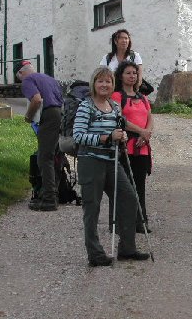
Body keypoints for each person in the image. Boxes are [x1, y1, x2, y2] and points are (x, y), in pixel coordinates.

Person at [73, 66, 149, 266]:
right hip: (90, 161)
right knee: (92, 208)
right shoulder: (85, 106)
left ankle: (127, 248)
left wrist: (122, 136)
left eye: (108, 81)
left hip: (112, 161)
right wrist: (107, 138)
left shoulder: (114, 106)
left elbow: (119, 127)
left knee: (129, 198)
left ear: (112, 84)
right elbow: (78, 136)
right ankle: (95, 254)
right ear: (94, 84)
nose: (104, 85)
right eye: (100, 81)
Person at [112, 61, 153, 233]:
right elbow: (120, 119)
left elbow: (150, 116)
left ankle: (141, 221)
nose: (132, 76)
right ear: (121, 75)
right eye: (128, 73)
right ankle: (125, 222)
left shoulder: (142, 97)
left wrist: (146, 133)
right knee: (126, 186)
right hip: (126, 146)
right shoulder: (116, 96)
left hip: (142, 146)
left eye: (134, 73)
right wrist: (142, 131)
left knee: (140, 184)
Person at [16, 60, 63, 212]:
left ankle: (49, 198)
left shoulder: (28, 80)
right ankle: (55, 192)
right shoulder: (50, 79)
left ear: (21, 73)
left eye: (19, 78)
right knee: (55, 155)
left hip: (48, 115)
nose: (20, 81)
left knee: (44, 157)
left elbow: (36, 99)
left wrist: (28, 116)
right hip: (60, 114)